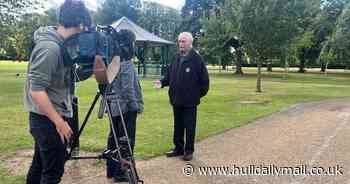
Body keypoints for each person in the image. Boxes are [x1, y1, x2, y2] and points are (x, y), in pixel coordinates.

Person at [24, 0, 91, 183]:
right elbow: (36, 90)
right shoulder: (50, 47)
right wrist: (59, 122)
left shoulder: (60, 45)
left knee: (39, 167)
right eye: (83, 28)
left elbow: (59, 79)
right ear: (79, 23)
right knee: (52, 171)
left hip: (46, 117)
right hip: (47, 119)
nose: (83, 33)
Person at [154, 32, 209, 161]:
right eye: (179, 41)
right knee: (178, 126)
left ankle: (189, 151)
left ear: (190, 43)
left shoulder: (197, 59)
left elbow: (204, 83)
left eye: (183, 41)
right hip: (176, 99)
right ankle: (178, 148)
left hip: (190, 102)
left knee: (189, 127)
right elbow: (169, 76)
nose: (181, 44)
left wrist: (195, 96)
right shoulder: (176, 58)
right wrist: (162, 82)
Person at [106, 29, 144, 182]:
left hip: (114, 107)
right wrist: (135, 105)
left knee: (113, 138)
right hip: (126, 109)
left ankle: (111, 170)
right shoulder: (126, 63)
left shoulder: (112, 61)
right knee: (126, 141)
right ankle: (121, 172)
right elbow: (128, 89)